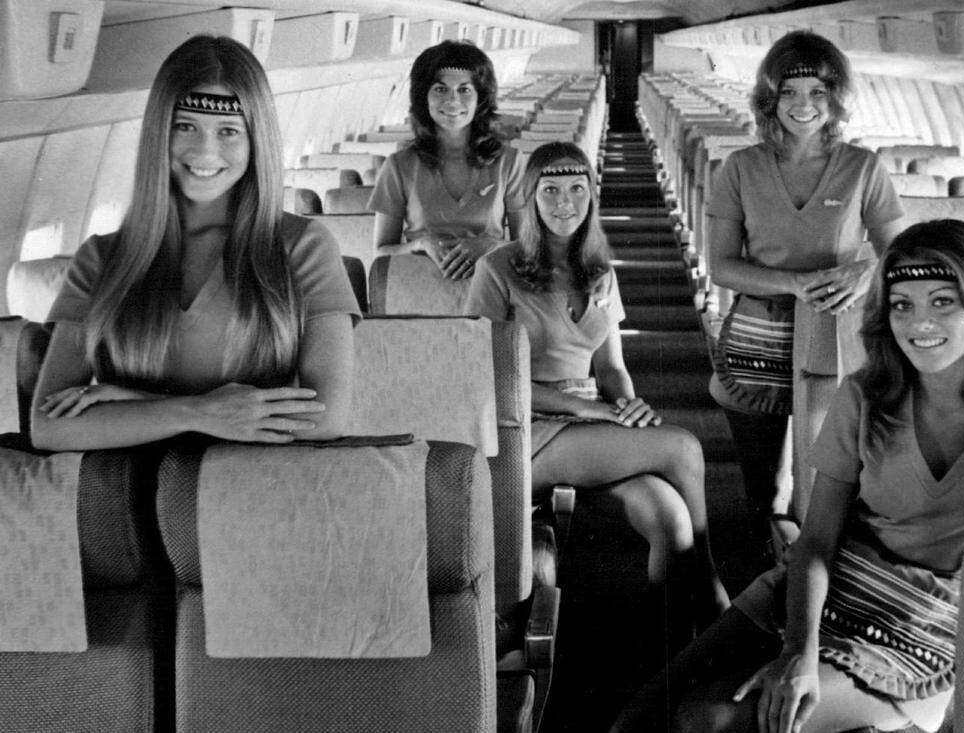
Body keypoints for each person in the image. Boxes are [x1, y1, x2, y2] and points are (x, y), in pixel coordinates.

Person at [612, 218, 964, 733]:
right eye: (901, 304)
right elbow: (818, 540)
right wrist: (800, 650)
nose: (918, 323)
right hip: (838, 585)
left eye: (942, 302)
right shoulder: (865, 395)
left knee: (709, 720)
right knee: (641, 715)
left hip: (941, 623)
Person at [30, 35, 360, 451]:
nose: (206, 151)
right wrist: (196, 412)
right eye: (185, 127)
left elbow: (326, 417)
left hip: (248, 492)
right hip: (119, 502)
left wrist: (143, 406)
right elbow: (48, 427)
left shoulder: (302, 247)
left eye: (228, 131)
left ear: (256, 143)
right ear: (158, 134)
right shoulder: (100, 259)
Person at [465, 141, 730, 630]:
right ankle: (712, 588)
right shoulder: (497, 269)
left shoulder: (600, 272)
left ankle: (668, 650)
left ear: (591, 197)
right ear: (528, 197)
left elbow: (609, 367)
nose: (565, 204)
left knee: (669, 519)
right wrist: (588, 411)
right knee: (682, 448)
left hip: (592, 425)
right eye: (550, 191)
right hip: (524, 427)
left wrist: (628, 406)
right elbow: (485, 374)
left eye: (576, 190)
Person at [706, 30, 905, 542]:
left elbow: (899, 256)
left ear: (835, 99)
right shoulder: (740, 169)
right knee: (762, 485)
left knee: (831, 480)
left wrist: (864, 270)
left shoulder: (863, 168)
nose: (803, 106)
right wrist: (793, 282)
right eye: (790, 93)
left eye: (818, 92)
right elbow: (722, 266)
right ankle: (763, 569)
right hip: (759, 335)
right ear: (770, 100)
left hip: (840, 337)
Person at [368, 40, 525, 280]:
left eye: (464, 90)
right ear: (424, 98)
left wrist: (491, 245)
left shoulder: (509, 163)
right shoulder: (398, 166)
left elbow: (527, 248)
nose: (453, 101)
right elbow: (381, 253)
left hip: (491, 285)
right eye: (441, 89)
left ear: (480, 98)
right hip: (418, 286)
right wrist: (420, 244)